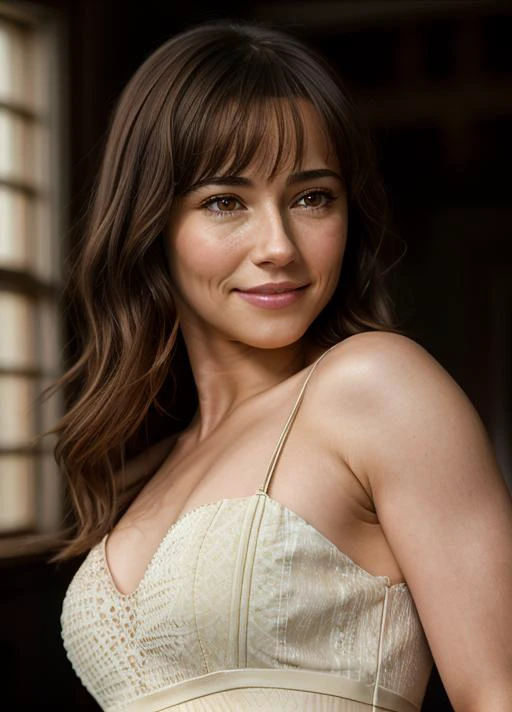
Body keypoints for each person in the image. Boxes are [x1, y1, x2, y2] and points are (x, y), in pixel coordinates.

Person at [54, 19, 512, 712]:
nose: (278, 245)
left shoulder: (374, 386)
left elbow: (496, 691)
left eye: (311, 197)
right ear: (151, 223)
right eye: (225, 201)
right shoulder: (150, 466)